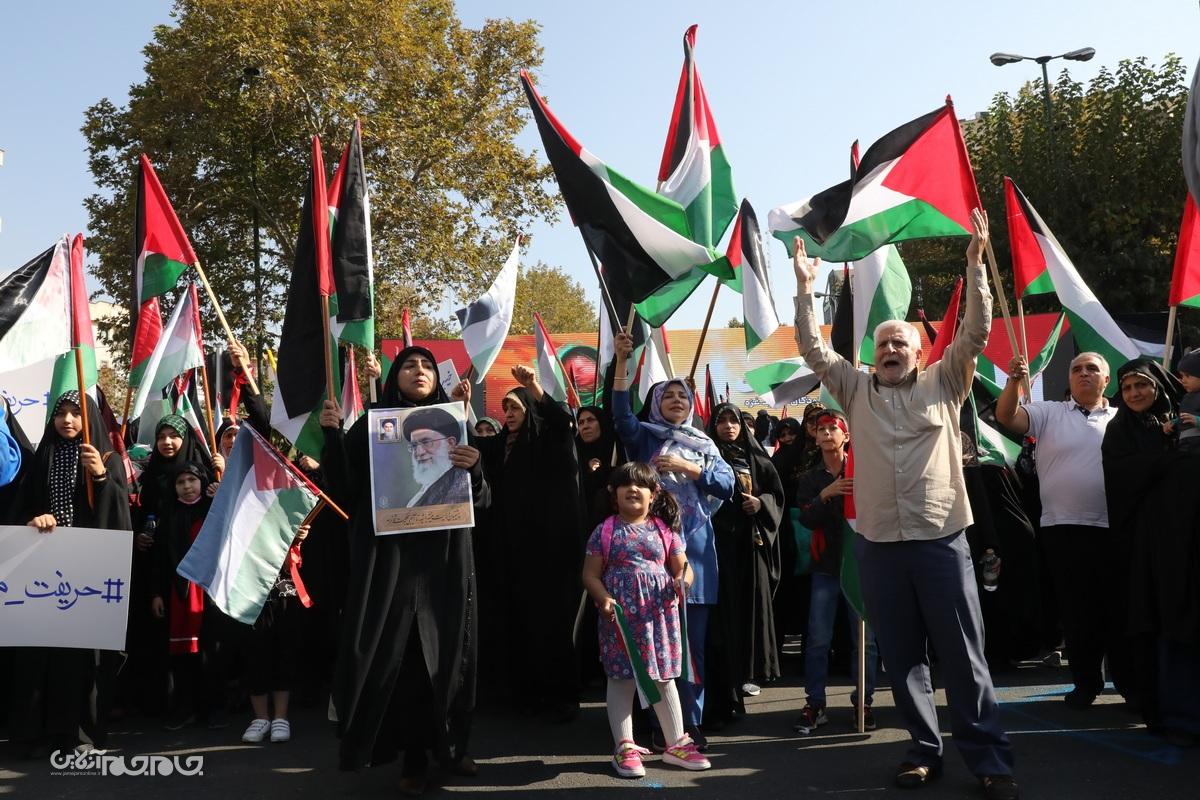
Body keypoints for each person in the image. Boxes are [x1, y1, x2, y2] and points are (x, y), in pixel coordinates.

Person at [791, 210, 1018, 800]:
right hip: (879, 544)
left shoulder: (947, 381)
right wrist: (805, 289)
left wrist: (975, 266)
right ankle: (922, 751)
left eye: (901, 342)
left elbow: (974, 334)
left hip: (941, 539)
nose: (891, 348)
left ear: (920, 351)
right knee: (901, 657)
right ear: (873, 355)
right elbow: (813, 349)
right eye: (884, 343)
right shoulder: (854, 388)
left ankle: (990, 760)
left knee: (963, 656)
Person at [320, 345, 488, 796]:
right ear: (394, 376)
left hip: (447, 562)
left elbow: (483, 500)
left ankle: (452, 747)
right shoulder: (371, 425)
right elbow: (346, 489)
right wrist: (333, 435)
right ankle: (413, 758)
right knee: (408, 662)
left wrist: (475, 470)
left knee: (452, 655)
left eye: (427, 365)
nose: (419, 371)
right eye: (409, 365)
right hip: (393, 566)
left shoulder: (457, 423)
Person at [610, 339, 735, 751]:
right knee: (651, 645)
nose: (677, 400)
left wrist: (689, 468)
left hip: (696, 554)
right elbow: (621, 414)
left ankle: (690, 724)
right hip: (650, 559)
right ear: (656, 403)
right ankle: (654, 724)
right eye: (669, 395)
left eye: (683, 395)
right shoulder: (644, 439)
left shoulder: (704, 445)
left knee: (690, 647)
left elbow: (727, 485)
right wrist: (623, 361)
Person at [995, 351, 1130, 709]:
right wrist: (1014, 380)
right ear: (1069, 379)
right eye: (1077, 369)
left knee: (1119, 611)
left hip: (1116, 529)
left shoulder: (1123, 417)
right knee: (1077, 613)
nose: (1084, 373)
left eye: (1092, 368)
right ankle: (1086, 684)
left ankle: (1130, 685)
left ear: (1106, 380)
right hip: (1062, 528)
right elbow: (1006, 416)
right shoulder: (1049, 413)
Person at [10, 390, 131, 757]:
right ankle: (38, 734)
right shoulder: (42, 458)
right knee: (40, 655)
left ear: (89, 418)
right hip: (46, 571)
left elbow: (121, 519)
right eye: (60, 413)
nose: (67, 420)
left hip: (88, 572)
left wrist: (101, 479)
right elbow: (23, 507)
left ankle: (81, 736)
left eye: (76, 413)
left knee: (84, 657)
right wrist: (35, 519)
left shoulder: (106, 459)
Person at [581, 462, 711, 777]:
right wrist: (604, 598)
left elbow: (684, 568)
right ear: (614, 494)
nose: (633, 490)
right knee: (621, 678)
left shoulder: (664, 530)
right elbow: (590, 575)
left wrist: (683, 581)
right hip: (620, 622)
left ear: (653, 494)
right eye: (625, 484)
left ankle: (676, 744)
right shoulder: (604, 531)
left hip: (659, 618)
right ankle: (624, 747)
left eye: (641, 485)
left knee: (664, 678)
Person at [475, 365, 585, 723]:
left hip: (546, 553)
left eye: (516, 408)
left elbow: (562, 420)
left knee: (549, 624)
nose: (508, 414)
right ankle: (523, 693)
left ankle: (558, 696)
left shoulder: (547, 440)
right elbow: (472, 449)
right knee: (517, 621)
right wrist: (459, 406)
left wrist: (534, 386)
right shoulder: (500, 447)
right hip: (510, 550)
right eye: (505, 408)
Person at [1102, 358, 1200, 744]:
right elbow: (1122, 477)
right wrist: (1166, 453)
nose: (1134, 393)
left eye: (1141, 384)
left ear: (1159, 386)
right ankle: (1168, 713)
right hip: (1146, 550)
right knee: (1157, 622)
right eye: (1126, 388)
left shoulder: (1186, 416)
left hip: (1188, 539)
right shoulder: (1120, 431)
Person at [791, 410, 879, 734]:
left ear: (847, 436)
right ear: (815, 437)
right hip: (825, 568)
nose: (827, 433)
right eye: (822, 429)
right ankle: (815, 703)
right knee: (818, 639)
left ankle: (863, 701)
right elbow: (805, 518)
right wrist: (826, 494)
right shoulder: (810, 478)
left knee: (865, 640)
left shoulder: (863, 472)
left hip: (860, 566)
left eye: (834, 428)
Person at [705, 402, 783, 724]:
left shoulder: (756, 459)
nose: (728, 426)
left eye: (733, 420)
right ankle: (726, 686)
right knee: (723, 619)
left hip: (750, 549)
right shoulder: (707, 457)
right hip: (718, 549)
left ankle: (747, 676)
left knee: (749, 613)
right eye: (721, 421)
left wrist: (760, 503)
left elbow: (776, 494)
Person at [150, 462, 231, 731]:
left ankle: (214, 708)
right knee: (183, 657)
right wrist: (157, 593)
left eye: (192, 480)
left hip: (210, 592)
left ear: (202, 482)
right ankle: (186, 709)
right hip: (179, 593)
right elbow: (160, 559)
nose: (187, 487)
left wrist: (220, 497)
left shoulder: (213, 510)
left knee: (212, 652)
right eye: (180, 482)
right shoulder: (169, 515)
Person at [402, 407, 471, 507]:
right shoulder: (419, 494)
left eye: (426, 442)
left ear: (450, 443)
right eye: (414, 445)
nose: (419, 452)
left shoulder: (463, 484)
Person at [1173, 349, 1200, 451]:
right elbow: (1185, 416)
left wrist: (1198, 421)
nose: (1183, 380)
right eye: (1182, 376)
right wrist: (1174, 422)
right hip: (1185, 445)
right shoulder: (1187, 397)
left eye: (1188, 376)